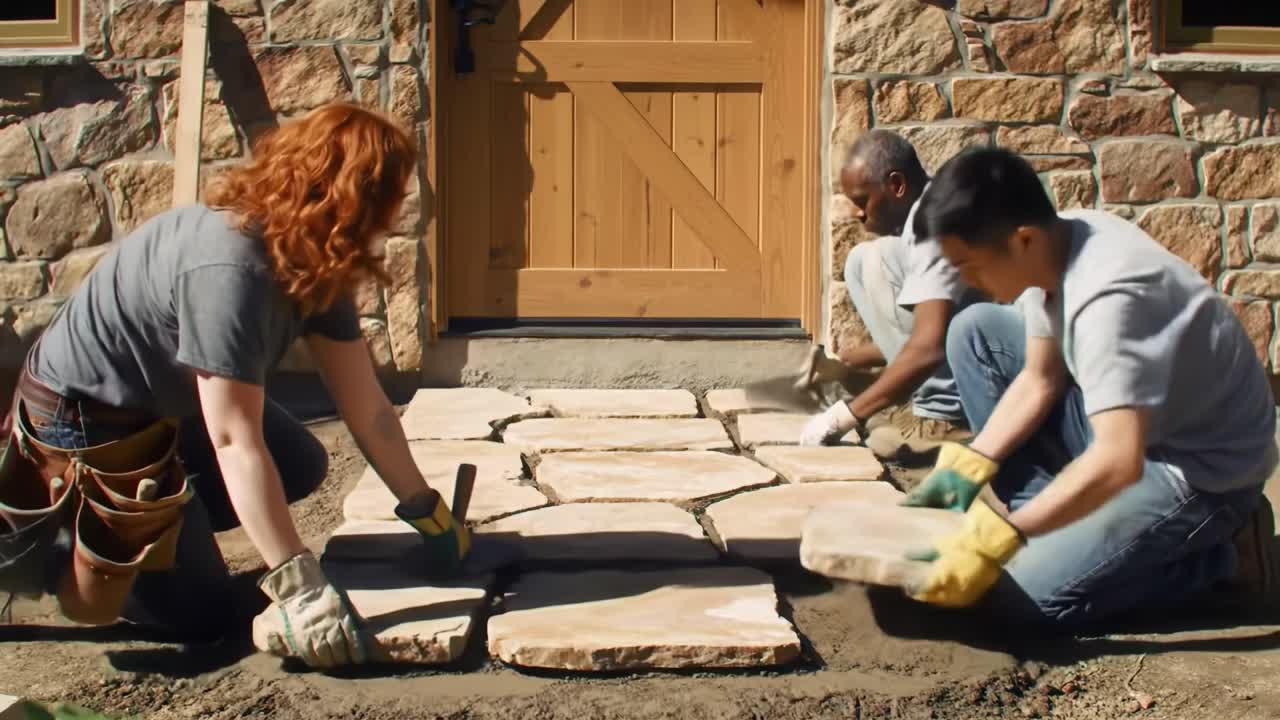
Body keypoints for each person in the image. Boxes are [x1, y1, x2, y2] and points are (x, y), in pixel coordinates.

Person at [0, 103, 471, 669]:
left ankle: (174, 529)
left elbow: (368, 408)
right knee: (203, 616)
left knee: (298, 462)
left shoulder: (315, 258)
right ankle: (81, 550)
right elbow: (232, 440)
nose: (395, 216)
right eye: (391, 198)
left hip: (166, 407)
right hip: (89, 421)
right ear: (353, 200)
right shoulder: (230, 267)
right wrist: (298, 585)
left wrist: (426, 512)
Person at [900, 146, 1276, 630]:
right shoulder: (1059, 245)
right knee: (976, 332)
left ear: (1023, 240)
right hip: (1139, 423)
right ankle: (1060, 526)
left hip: (1200, 473)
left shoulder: (1110, 301)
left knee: (1019, 598)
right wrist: (966, 469)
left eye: (969, 264)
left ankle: (1224, 561)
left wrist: (998, 536)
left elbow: (1118, 461)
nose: (963, 279)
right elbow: (1040, 379)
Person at [800, 130, 979, 459]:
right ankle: (915, 399)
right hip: (975, 344)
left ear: (896, 185)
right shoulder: (924, 213)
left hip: (1004, 365)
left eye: (862, 200)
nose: (858, 213)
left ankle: (944, 416)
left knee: (879, 257)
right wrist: (866, 356)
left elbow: (930, 345)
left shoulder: (934, 225)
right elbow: (941, 321)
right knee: (859, 260)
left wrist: (843, 417)